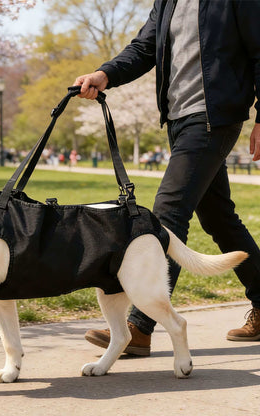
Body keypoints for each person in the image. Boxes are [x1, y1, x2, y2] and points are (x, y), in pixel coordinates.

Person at [74, 0, 260, 355]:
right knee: (221, 220)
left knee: (167, 213)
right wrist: (104, 74)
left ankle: (141, 325)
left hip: (213, 118)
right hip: (179, 120)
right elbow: (144, 48)